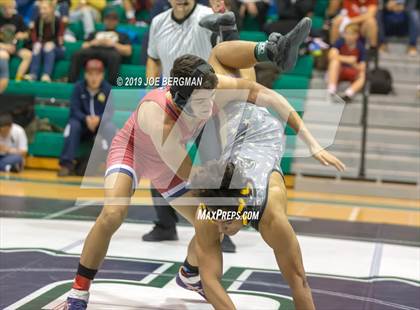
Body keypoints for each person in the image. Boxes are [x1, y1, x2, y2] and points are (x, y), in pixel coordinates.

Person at [63, 18, 343, 310]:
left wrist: (310, 140)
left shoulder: (205, 87)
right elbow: (190, 173)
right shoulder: (156, 114)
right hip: (134, 152)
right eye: (202, 103)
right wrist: (228, 195)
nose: (210, 106)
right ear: (181, 101)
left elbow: (268, 95)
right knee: (113, 212)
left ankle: (189, 273)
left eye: (212, 97)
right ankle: (79, 291)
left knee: (212, 221)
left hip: (170, 162)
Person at [143, 0, 239, 251]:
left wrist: (225, 18)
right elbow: (152, 58)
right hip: (171, 104)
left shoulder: (209, 16)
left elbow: (229, 49)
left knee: (212, 162)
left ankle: (223, 227)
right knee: (161, 163)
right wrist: (151, 89)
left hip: (203, 104)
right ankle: (165, 225)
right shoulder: (158, 22)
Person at [58, 59, 115, 176]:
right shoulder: (78, 88)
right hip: (82, 124)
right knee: (73, 125)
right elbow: (74, 109)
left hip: (100, 124)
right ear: (85, 75)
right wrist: (86, 118)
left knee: (110, 128)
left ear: (102, 75)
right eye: (90, 74)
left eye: (97, 74)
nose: (94, 78)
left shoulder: (107, 89)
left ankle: (112, 166)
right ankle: (66, 165)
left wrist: (99, 119)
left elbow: (109, 112)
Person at [68, 9, 132, 85]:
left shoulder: (122, 35)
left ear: (117, 22)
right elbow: (84, 45)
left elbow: (128, 51)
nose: (110, 21)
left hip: (110, 52)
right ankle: (71, 82)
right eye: (108, 19)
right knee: (77, 54)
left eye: (113, 20)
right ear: (104, 21)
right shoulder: (95, 33)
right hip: (93, 50)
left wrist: (113, 44)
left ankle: (110, 85)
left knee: (115, 57)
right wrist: (94, 42)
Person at [24, 0, 65, 82]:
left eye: (45, 8)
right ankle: (33, 74)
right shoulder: (38, 20)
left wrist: (53, 43)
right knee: (37, 47)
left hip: (57, 49)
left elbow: (60, 40)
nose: (42, 11)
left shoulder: (58, 21)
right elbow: (34, 36)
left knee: (49, 49)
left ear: (51, 9)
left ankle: (46, 75)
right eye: (41, 9)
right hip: (42, 46)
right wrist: (37, 43)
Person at [327, 23, 366, 103]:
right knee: (334, 62)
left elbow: (362, 67)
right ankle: (332, 89)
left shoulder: (360, 47)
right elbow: (331, 56)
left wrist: (353, 64)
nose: (348, 36)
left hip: (352, 71)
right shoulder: (340, 42)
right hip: (339, 70)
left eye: (351, 34)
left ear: (357, 35)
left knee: (363, 75)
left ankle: (349, 93)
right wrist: (348, 59)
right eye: (346, 33)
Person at [0, 0, 32, 87]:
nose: (10, 11)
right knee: (4, 55)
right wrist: (4, 47)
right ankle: (3, 80)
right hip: (2, 48)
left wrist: (22, 35)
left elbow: (27, 33)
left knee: (28, 55)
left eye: (12, 8)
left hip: (14, 47)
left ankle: (18, 79)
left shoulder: (18, 18)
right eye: (7, 8)